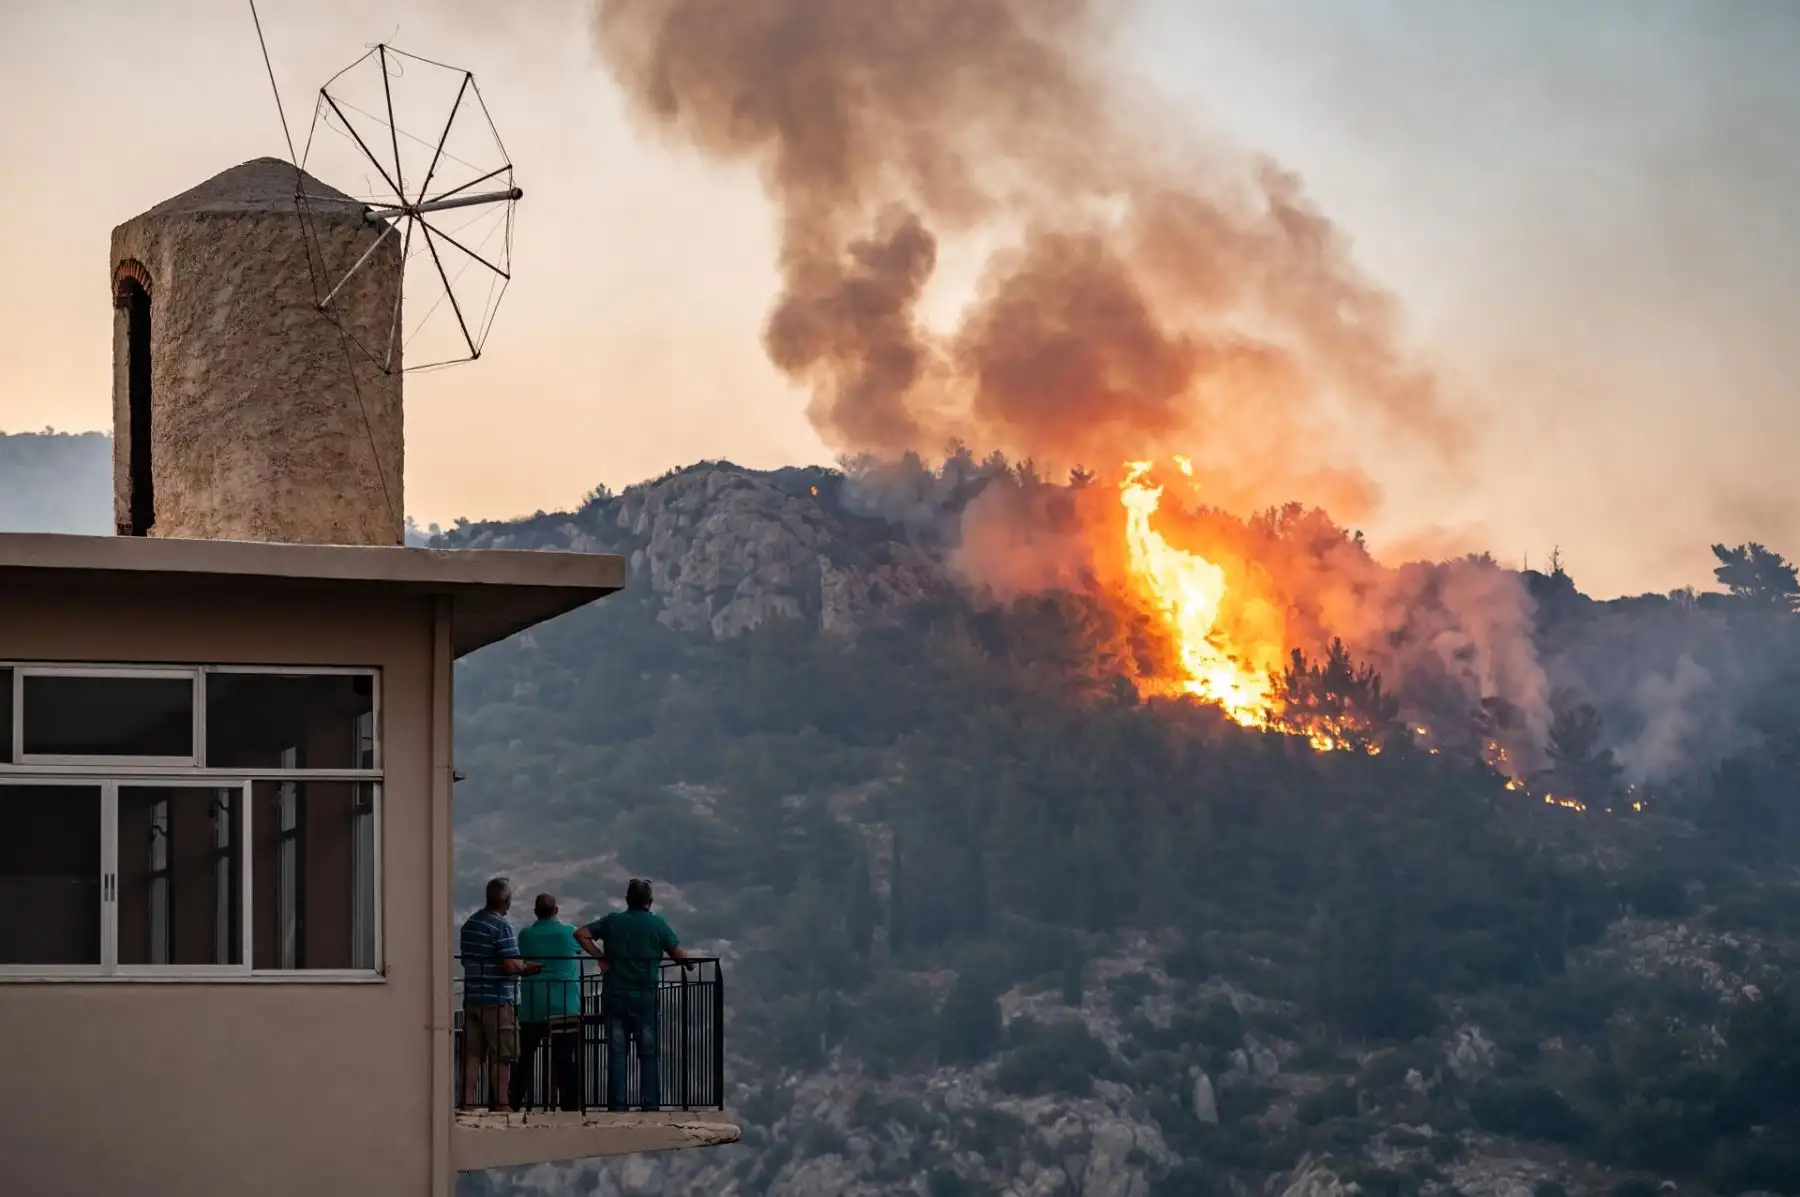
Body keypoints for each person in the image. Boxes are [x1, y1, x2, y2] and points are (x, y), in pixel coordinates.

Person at [575, 878, 691, 1111]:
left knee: (617, 1052)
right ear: (650, 901)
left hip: (615, 994)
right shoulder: (657, 924)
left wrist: (600, 957)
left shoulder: (613, 921)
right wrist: (688, 963)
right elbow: (678, 954)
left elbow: (581, 934)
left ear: (627, 900)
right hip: (645, 997)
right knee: (647, 1053)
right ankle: (650, 1104)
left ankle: (618, 1105)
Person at [458, 877, 540, 1110]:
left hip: (473, 997)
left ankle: (467, 1102)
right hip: (497, 999)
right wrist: (528, 968)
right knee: (502, 1054)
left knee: (473, 1055)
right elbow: (510, 965)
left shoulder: (470, 924)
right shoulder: (501, 926)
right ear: (507, 900)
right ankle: (501, 1103)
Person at [510, 892, 583, 1111]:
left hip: (534, 1005)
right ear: (556, 910)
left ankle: (514, 1101)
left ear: (536, 912)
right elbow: (578, 950)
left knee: (524, 1058)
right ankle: (570, 1105)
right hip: (565, 1005)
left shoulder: (526, 935)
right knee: (564, 1059)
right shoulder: (570, 933)